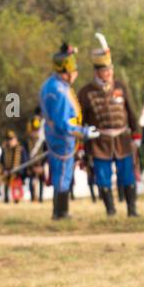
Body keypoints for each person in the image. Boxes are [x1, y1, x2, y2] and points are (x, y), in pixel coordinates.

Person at [76, 33, 139, 217]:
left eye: (110, 69)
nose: (109, 73)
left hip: (122, 139)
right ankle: (110, 210)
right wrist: (81, 144)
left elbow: (131, 111)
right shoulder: (85, 92)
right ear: (97, 72)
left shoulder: (120, 86)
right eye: (106, 70)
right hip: (99, 142)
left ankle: (132, 210)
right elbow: (80, 121)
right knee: (102, 177)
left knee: (127, 175)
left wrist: (136, 134)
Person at [39, 42, 84, 220]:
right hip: (63, 137)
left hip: (57, 136)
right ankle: (60, 211)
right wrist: (84, 132)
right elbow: (62, 123)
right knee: (63, 175)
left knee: (61, 174)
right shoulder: (58, 90)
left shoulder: (52, 84)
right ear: (66, 71)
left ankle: (59, 210)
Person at [23, 107, 47, 202]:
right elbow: (25, 155)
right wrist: (32, 166)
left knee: (41, 180)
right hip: (31, 165)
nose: (35, 132)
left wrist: (42, 165)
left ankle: (41, 198)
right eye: (33, 130)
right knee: (31, 180)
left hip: (41, 165)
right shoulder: (27, 142)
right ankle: (33, 197)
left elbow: (45, 154)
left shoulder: (43, 142)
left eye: (36, 130)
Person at [0, 130, 25, 202]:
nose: (10, 141)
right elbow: (1, 162)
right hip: (7, 173)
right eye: (8, 139)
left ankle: (17, 199)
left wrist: (18, 170)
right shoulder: (4, 149)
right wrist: (4, 170)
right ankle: (6, 199)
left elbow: (24, 161)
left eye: (11, 139)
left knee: (16, 185)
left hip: (17, 173)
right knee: (6, 185)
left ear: (15, 139)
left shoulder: (20, 149)